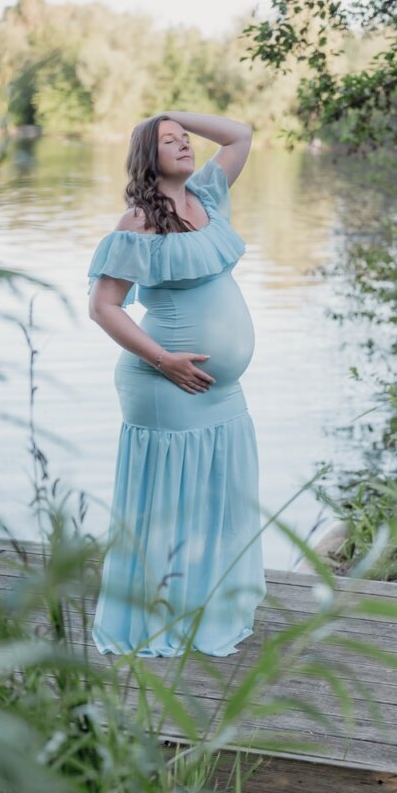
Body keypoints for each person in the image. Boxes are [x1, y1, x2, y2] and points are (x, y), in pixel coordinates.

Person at [87, 111, 266, 657]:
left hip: (221, 393)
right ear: (149, 156)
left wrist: (169, 113)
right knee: (172, 505)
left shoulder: (208, 196)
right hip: (167, 386)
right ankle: (158, 616)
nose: (185, 144)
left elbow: (240, 133)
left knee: (218, 497)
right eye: (170, 141)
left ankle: (205, 606)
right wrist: (164, 360)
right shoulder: (138, 222)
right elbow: (102, 307)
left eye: (186, 138)